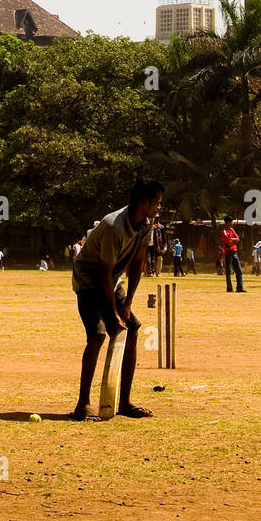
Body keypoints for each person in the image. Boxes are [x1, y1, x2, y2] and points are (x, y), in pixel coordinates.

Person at [70, 177, 164, 421]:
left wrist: (128, 302)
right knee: (98, 335)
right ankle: (82, 404)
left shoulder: (146, 225)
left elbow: (137, 263)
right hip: (89, 279)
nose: (159, 207)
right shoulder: (113, 226)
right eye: (157, 202)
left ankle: (124, 402)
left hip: (112, 280)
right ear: (145, 203)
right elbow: (102, 273)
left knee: (131, 329)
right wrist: (112, 314)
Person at [221, 217, 245, 293]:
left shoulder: (232, 230)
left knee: (238, 270)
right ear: (228, 222)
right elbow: (227, 241)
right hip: (228, 252)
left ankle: (240, 288)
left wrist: (232, 239)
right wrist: (233, 240)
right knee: (228, 271)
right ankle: (229, 288)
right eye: (232, 222)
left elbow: (237, 238)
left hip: (234, 252)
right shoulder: (224, 231)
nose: (233, 223)